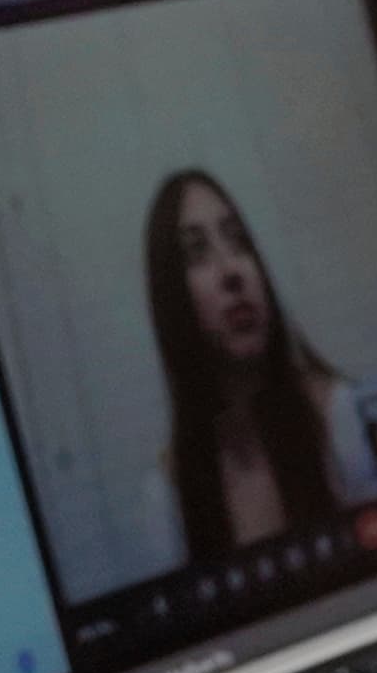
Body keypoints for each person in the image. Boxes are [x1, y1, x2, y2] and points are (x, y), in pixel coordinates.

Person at [145, 166, 344, 564]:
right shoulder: (167, 497)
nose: (232, 271)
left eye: (239, 241)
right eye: (197, 252)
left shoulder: (343, 420)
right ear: (172, 299)